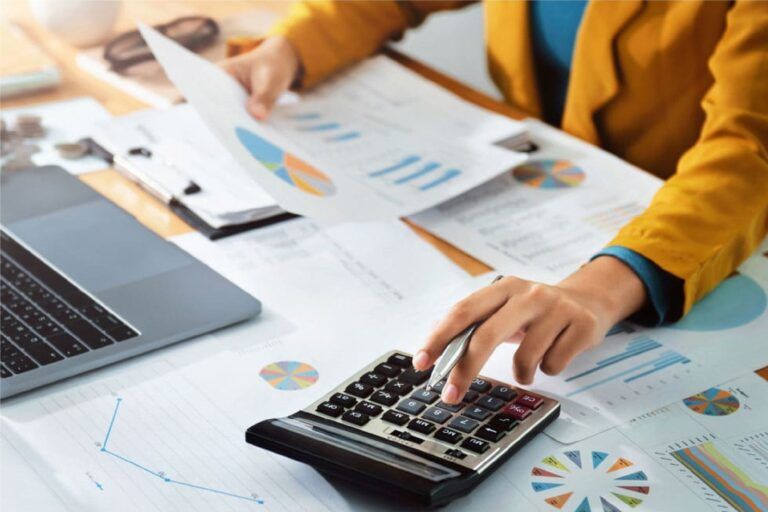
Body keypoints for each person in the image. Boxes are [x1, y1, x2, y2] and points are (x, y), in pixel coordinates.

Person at [224, 1, 768, 405]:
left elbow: (750, 150)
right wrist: (297, 43)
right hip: (532, 185)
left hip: (691, 224)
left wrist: (599, 290)